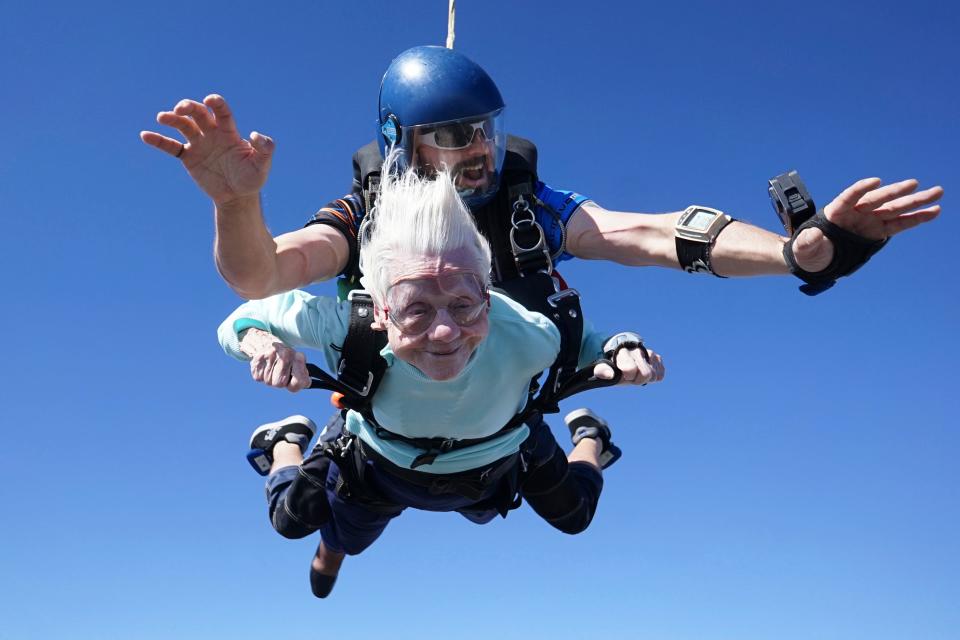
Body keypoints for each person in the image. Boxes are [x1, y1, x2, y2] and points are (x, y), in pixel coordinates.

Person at [141, 45, 942, 304]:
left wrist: (798, 254)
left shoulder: (531, 206)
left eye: (484, 131)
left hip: (498, 426)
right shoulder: (367, 209)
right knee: (350, 510)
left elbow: (656, 235)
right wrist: (237, 206)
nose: (478, 152)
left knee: (559, 506)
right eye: (451, 137)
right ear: (400, 146)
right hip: (388, 421)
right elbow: (262, 275)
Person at [217, 165, 666, 597]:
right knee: (294, 520)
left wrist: (623, 347)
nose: (446, 332)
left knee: (575, 515)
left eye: (464, 304)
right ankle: (286, 445)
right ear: (379, 311)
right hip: (379, 462)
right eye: (417, 310)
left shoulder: (529, 332)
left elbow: (585, 340)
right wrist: (261, 343)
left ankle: (591, 439)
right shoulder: (347, 326)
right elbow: (242, 317)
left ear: (487, 299)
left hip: (497, 459)